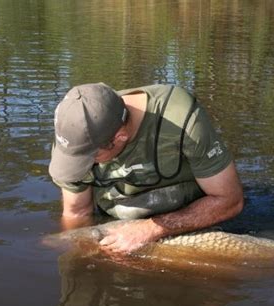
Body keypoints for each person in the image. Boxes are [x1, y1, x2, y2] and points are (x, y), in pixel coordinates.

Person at [49, 83, 243, 254]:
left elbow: (230, 201)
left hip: (188, 210)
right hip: (118, 217)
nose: (81, 165)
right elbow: (76, 213)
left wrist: (150, 229)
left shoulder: (184, 120)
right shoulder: (74, 136)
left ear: (120, 137)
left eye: (92, 158)